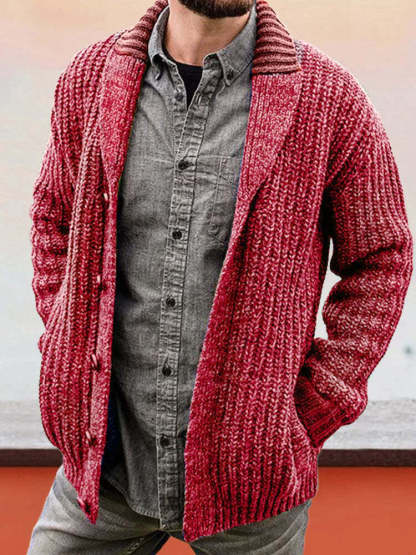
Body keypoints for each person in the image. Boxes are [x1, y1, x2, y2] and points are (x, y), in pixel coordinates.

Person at [27, 0, 413, 553]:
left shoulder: (329, 100)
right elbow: (53, 217)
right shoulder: (91, 79)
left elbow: (382, 255)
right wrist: (68, 336)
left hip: (251, 489)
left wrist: (313, 405)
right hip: (102, 475)